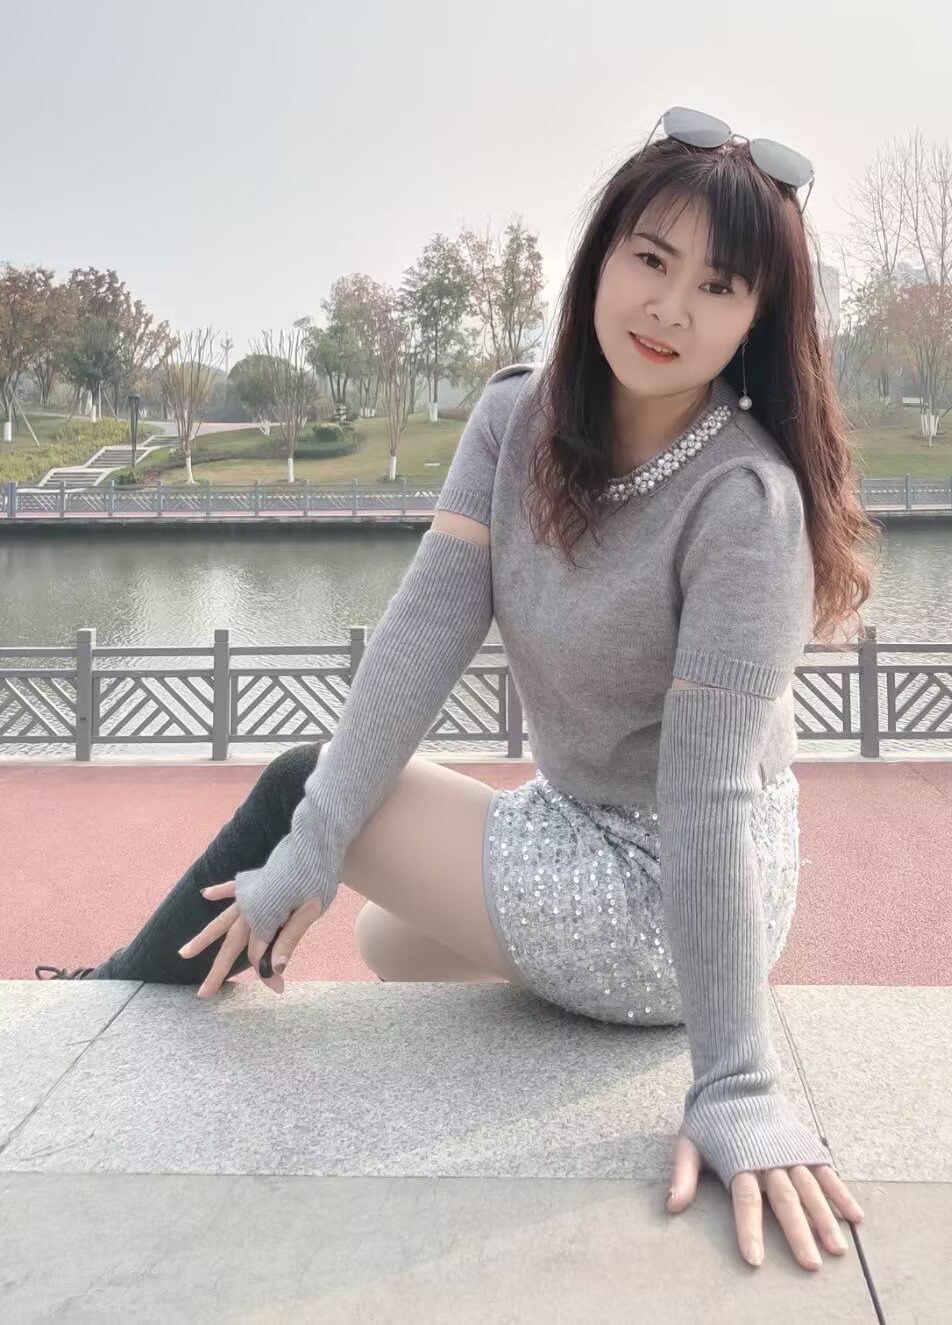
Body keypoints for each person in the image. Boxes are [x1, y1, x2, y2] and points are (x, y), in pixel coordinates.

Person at [37, 106, 878, 1274]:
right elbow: (425, 630)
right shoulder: (515, 416)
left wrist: (737, 1081)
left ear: (759, 319)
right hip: (576, 813)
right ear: (602, 255)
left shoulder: (747, 502)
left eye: (719, 286)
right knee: (384, 939)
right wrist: (319, 852)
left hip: (671, 879)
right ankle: (250, 926)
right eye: (650, 258)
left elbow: (712, 794)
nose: (670, 307)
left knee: (298, 791)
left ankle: (110, 1001)